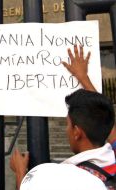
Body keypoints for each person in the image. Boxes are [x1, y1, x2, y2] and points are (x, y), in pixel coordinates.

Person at [10, 45, 115, 189]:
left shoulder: (67, 180)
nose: (67, 130)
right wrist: (83, 78)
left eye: (68, 124)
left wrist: (20, 173)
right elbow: (104, 118)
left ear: (77, 132)